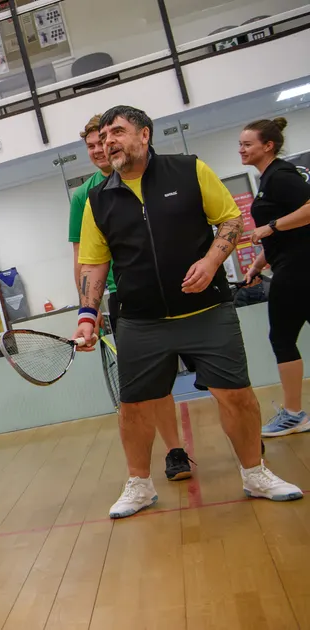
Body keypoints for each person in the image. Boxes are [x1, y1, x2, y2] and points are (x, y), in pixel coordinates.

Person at [74, 105, 303, 519]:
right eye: (104, 135)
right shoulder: (96, 198)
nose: (109, 141)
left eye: (118, 132)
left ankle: (255, 473)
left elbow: (230, 221)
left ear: (144, 135)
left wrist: (213, 261)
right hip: (140, 321)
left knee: (237, 396)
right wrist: (86, 316)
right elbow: (94, 263)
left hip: (207, 311)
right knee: (134, 407)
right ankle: (140, 485)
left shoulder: (189, 170)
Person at [67, 114, 192, 482]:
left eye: (103, 141)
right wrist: (88, 311)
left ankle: (244, 437)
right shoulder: (84, 196)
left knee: (217, 377)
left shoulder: (160, 175)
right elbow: (84, 258)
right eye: (91, 146)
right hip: (130, 303)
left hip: (186, 292)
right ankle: (175, 451)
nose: (98, 150)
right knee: (153, 387)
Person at [240, 117, 310, 437]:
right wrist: (257, 265)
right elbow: (283, 234)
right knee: (283, 337)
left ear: (268, 146)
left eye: (247, 144)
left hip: (298, 269)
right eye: (240, 144)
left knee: (281, 338)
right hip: (291, 263)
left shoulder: (281, 175)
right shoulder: (269, 179)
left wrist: (270, 227)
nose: (241, 149)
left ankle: (294, 414)